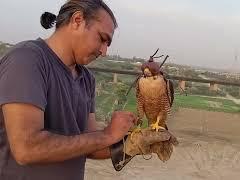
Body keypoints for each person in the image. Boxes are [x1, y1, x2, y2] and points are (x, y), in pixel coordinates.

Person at [0, 0, 172, 179]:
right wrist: (107, 135)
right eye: (102, 39)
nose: (104, 51)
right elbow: (27, 148)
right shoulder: (27, 60)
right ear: (77, 20)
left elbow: (89, 146)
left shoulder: (86, 79)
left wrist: (133, 143)